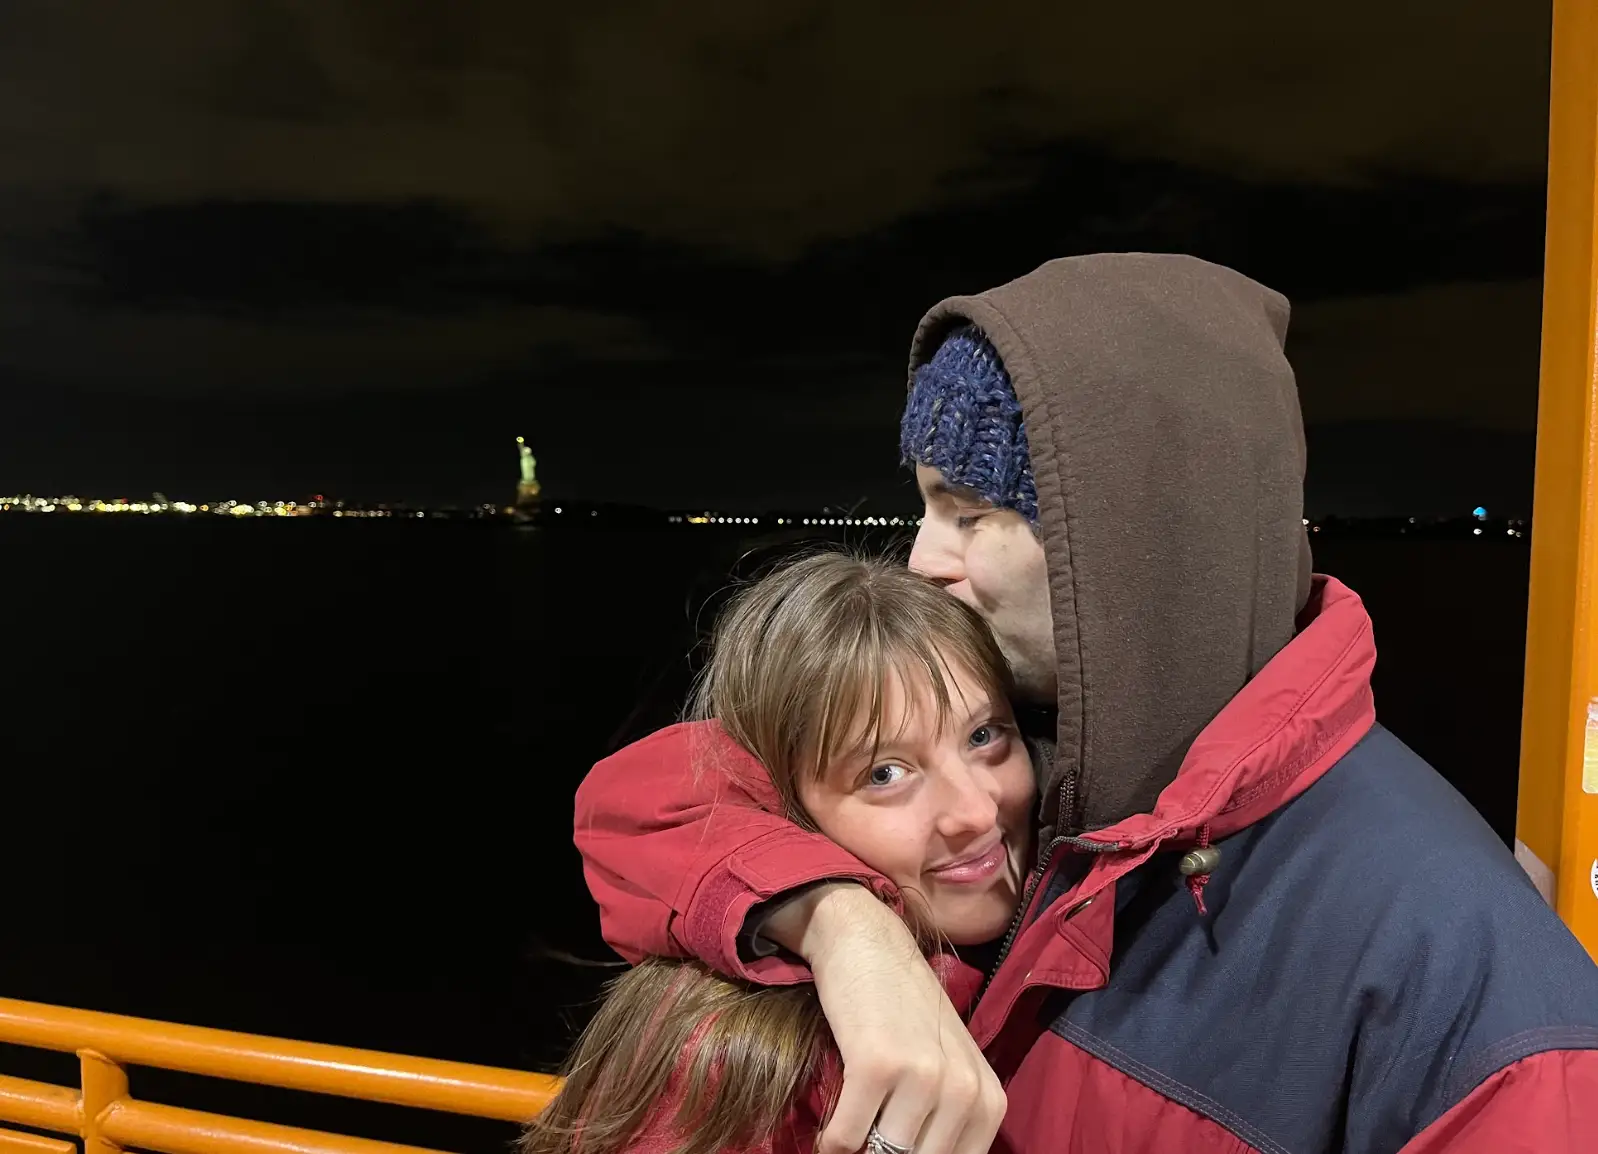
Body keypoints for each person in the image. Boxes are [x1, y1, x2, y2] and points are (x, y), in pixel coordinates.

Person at [575, 254, 1598, 1154]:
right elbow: (663, 787)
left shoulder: (1460, 965)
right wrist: (843, 924)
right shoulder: (1038, 739)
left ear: (1127, 546)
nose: (922, 557)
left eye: (968, 514)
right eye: (924, 505)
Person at [526, 552, 1027, 1154]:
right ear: (789, 802)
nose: (974, 811)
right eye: (885, 773)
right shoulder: (739, 1053)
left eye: (983, 735)